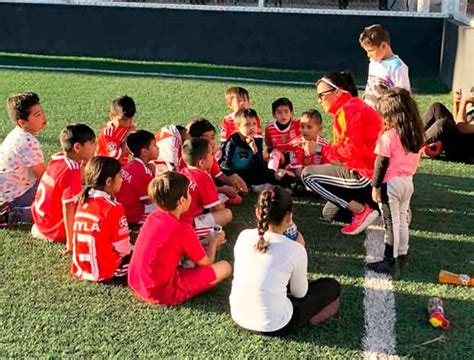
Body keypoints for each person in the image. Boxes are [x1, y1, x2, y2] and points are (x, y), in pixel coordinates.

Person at [229, 186, 341, 336]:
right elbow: (300, 293)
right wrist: (299, 247)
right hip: (274, 325)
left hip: (239, 315)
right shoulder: (295, 249)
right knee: (331, 286)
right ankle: (312, 317)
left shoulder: (244, 236)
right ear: (289, 217)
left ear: (258, 212)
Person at [128, 171, 231, 306]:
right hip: (160, 291)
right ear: (181, 200)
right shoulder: (182, 228)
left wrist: (206, 241)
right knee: (225, 267)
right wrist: (213, 243)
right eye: (188, 193)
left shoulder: (153, 216)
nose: (190, 196)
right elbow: (207, 263)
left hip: (136, 280)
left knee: (192, 260)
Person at [302, 71, 383, 235]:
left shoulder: (349, 110)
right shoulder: (351, 107)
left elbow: (350, 150)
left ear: (338, 92)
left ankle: (363, 211)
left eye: (322, 95)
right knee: (331, 213)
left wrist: (319, 148)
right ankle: (381, 208)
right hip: (372, 173)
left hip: (366, 174)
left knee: (308, 175)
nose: (319, 100)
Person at [367, 89, 424, 275]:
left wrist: (375, 186)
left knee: (391, 222)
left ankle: (389, 260)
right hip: (408, 182)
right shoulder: (415, 134)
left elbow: (381, 163)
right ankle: (402, 251)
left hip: (390, 184)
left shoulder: (388, 136)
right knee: (401, 219)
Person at [31, 124, 96, 253]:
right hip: (53, 229)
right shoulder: (71, 170)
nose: (95, 147)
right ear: (77, 147)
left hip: (40, 219)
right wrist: (70, 243)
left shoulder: (58, 158)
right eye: (92, 143)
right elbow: (68, 208)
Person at [71, 156, 132, 282]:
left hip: (81, 268)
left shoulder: (82, 200)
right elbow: (123, 249)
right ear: (109, 181)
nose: (122, 180)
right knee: (146, 254)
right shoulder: (113, 208)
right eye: (119, 176)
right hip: (106, 271)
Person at [0, 92, 47, 227]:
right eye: (37, 115)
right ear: (22, 122)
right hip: (16, 196)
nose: (43, 117)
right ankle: (11, 215)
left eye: (42, 111)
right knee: (58, 204)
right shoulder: (28, 142)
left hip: (9, 191)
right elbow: (44, 177)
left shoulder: (18, 133)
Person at [180, 138, 233, 238]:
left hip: (177, 219)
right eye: (211, 155)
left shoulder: (183, 172)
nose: (213, 157)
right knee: (227, 214)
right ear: (202, 163)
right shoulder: (203, 176)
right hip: (188, 224)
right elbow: (216, 208)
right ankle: (202, 236)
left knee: (221, 199)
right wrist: (221, 206)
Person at [188, 118, 248, 203]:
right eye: (205, 139)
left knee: (235, 195)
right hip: (195, 195)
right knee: (226, 211)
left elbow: (218, 174)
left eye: (212, 138)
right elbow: (198, 187)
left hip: (207, 188)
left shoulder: (210, 155)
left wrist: (232, 184)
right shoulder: (190, 159)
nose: (210, 142)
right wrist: (223, 190)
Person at [219, 108, 278, 188]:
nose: (251, 127)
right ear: (237, 127)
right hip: (235, 173)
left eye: (254, 124)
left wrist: (254, 150)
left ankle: (292, 184)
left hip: (250, 172)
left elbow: (259, 166)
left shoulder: (257, 141)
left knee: (272, 174)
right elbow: (225, 166)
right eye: (247, 125)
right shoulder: (232, 142)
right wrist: (235, 178)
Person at [359, 24, 411, 109]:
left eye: (371, 50)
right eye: (366, 51)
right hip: (368, 112)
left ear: (384, 45)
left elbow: (404, 97)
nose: (368, 55)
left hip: (386, 115)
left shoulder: (397, 67)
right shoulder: (373, 62)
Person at [116, 130, 159, 225]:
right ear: (144, 152)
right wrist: (154, 176)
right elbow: (150, 199)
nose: (158, 148)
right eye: (154, 145)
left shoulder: (130, 165)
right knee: (166, 207)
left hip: (121, 209)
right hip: (131, 215)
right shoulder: (143, 172)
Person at [422, 89, 474, 164]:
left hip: (462, 152)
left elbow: (461, 127)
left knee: (444, 123)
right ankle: (413, 137)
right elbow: (456, 122)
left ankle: (412, 144)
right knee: (437, 107)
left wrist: (464, 102)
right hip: (458, 141)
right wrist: (457, 103)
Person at [265, 97, 304, 178]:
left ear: (291, 113)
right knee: (274, 153)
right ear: (274, 115)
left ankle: (297, 177)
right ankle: (271, 174)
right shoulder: (269, 128)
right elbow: (269, 146)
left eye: (286, 112)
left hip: (297, 156)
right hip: (281, 157)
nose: (283, 115)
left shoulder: (298, 124)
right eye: (279, 113)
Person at [96, 95, 136, 167]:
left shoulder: (128, 127)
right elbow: (115, 160)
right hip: (105, 169)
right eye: (123, 119)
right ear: (112, 116)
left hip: (122, 168)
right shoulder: (107, 133)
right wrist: (128, 138)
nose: (127, 123)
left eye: (131, 118)